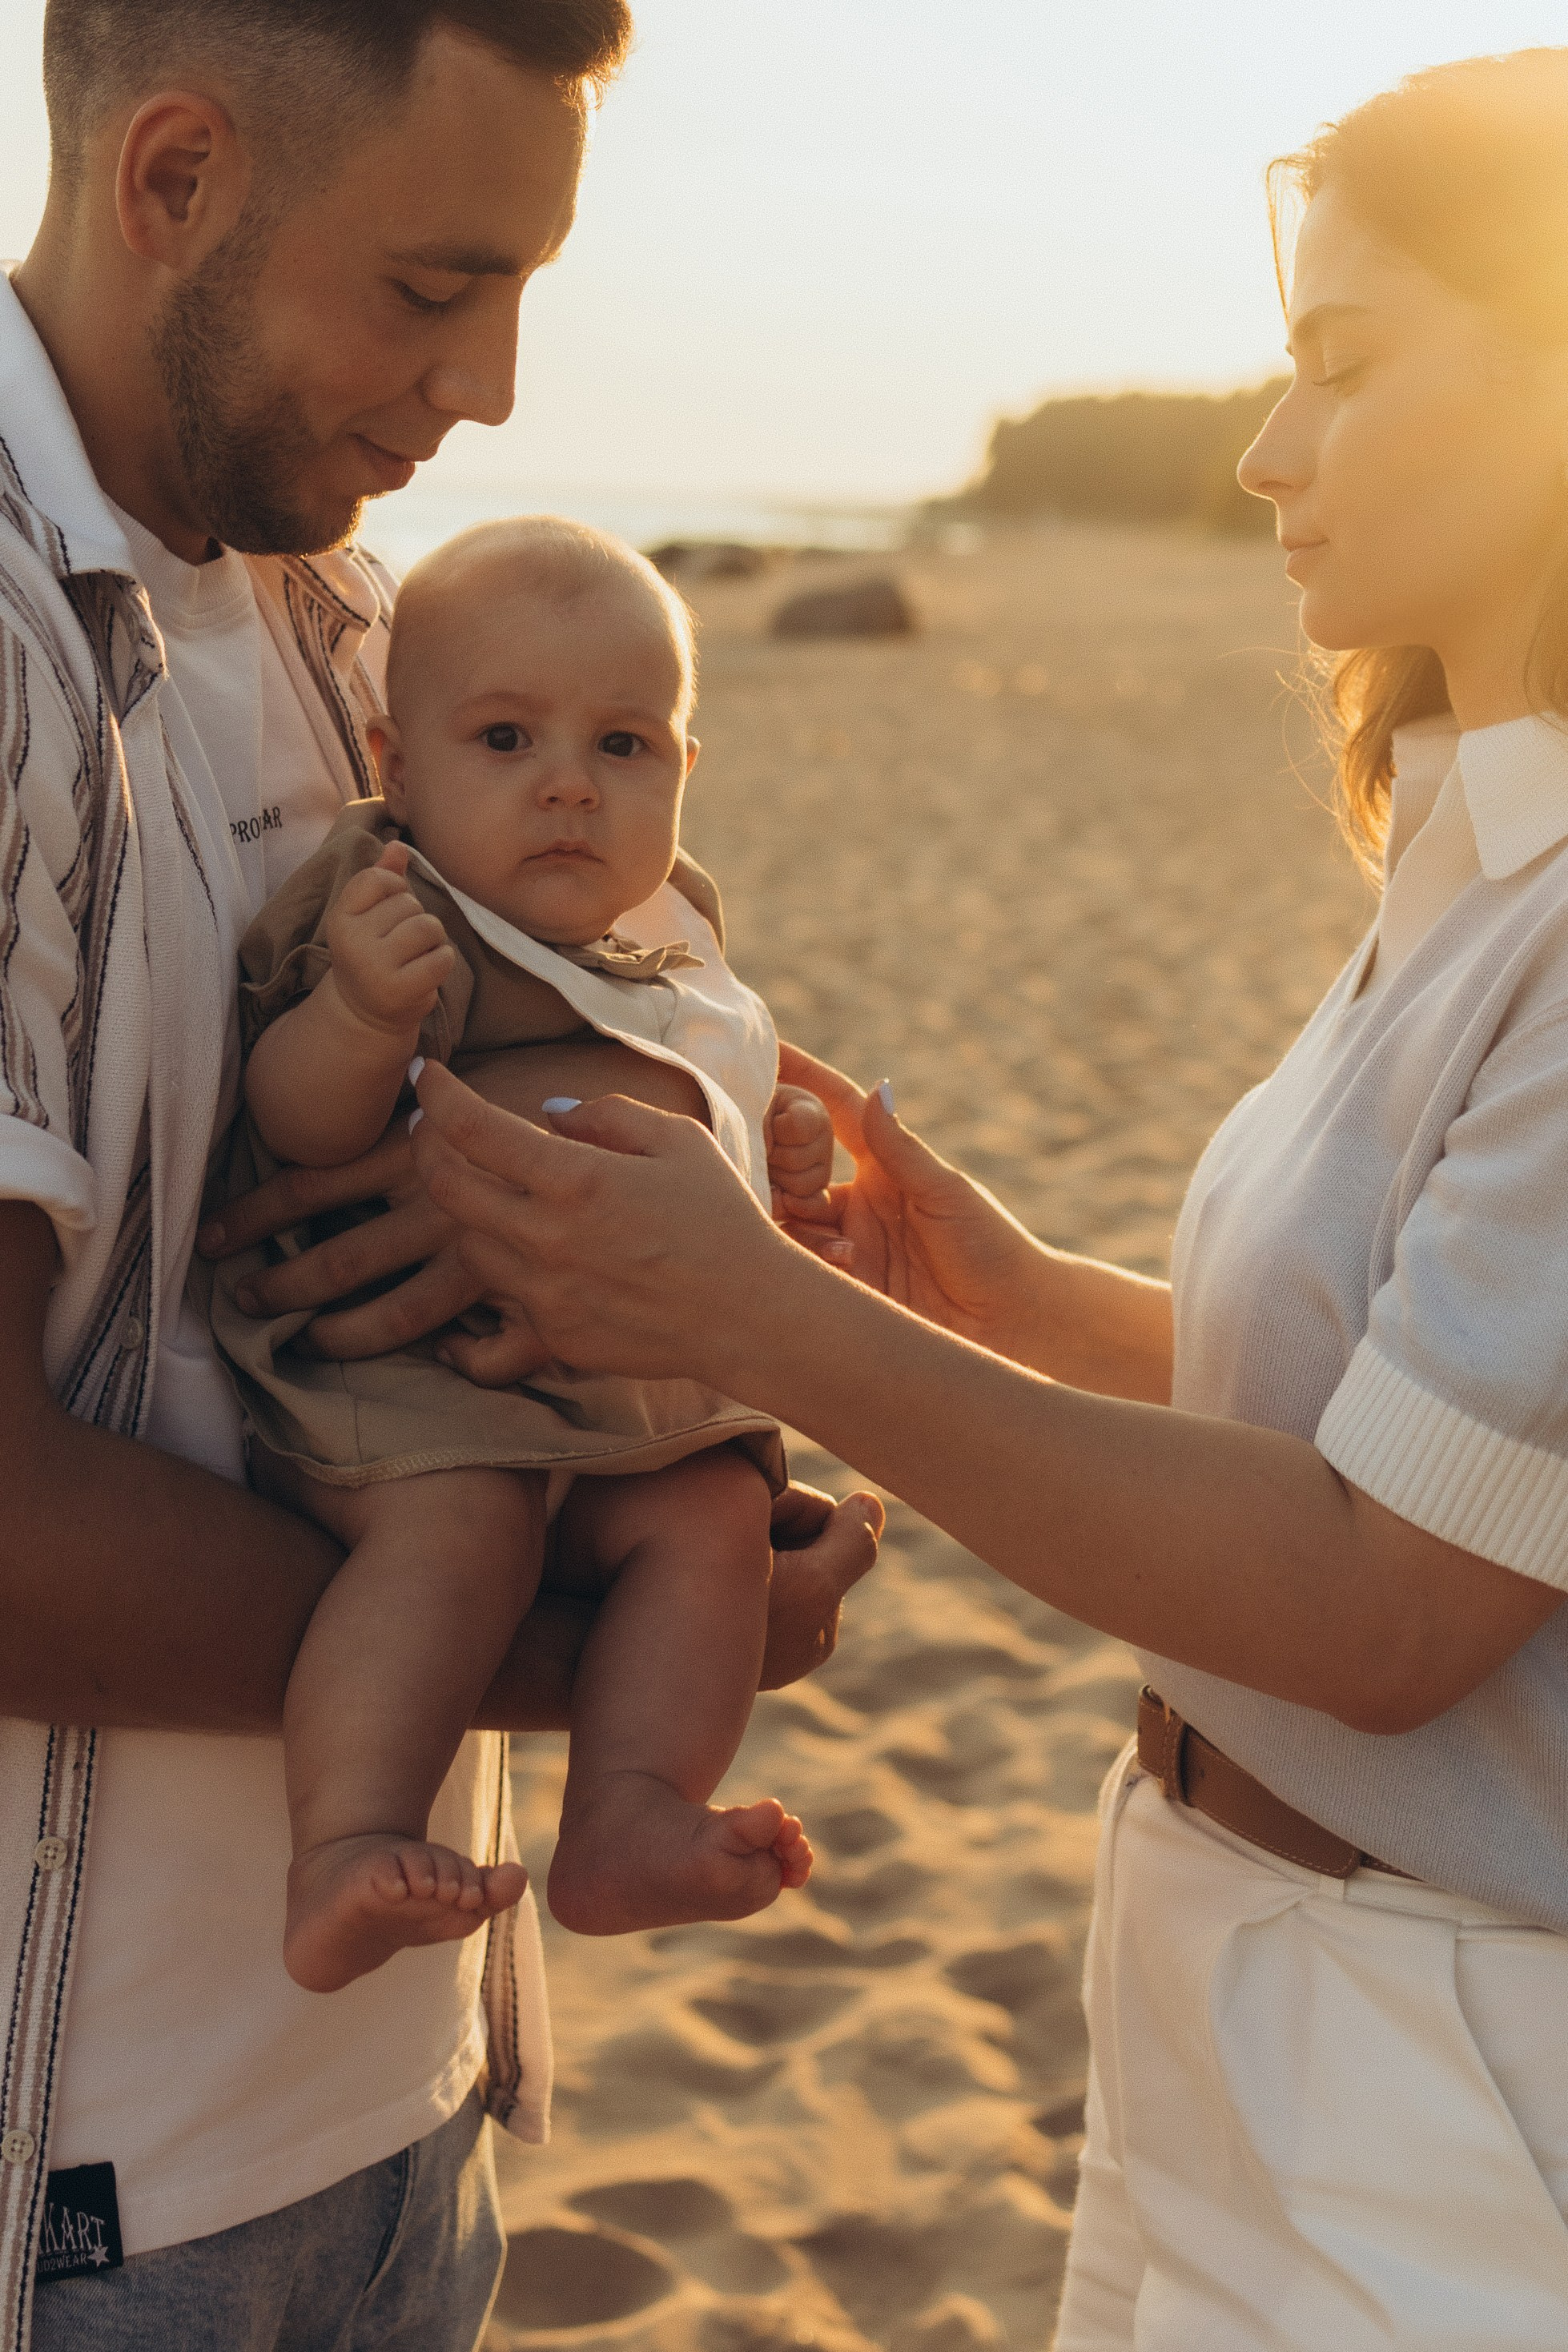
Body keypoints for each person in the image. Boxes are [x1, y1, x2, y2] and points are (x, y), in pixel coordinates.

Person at [404, 47, 1568, 2349]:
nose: (1266, 450)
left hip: (1445, 2059)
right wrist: (995, 1292)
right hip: (1212, 1959)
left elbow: (1382, 1604)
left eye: (1342, 365)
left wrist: (769, 1324)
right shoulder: (1468, 847)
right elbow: (1431, 1425)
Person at [0, 5, 879, 2347]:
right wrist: (597, 1665)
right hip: (75, 2180)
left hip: (401, 2105)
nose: (487, 387)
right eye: (430, 285)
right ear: (171, 181)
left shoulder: (361, 624)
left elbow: (598, 1030)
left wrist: (682, 1316)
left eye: (521, 294)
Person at [217, 517, 821, 1992]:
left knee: (711, 1517)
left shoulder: (662, 929)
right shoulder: (399, 906)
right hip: (416, 1386)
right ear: (395, 764)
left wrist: (774, 1138)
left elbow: (701, 1084)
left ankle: (626, 1814)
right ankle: (347, 1836)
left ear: (684, 770)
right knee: (465, 1528)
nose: (568, 783)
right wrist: (360, 1018)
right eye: (504, 738)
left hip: (618, 1388)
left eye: (623, 744)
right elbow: (298, 1124)